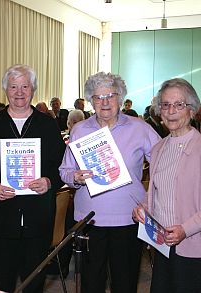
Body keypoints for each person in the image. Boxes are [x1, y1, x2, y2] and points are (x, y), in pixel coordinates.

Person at [59, 72, 161, 293]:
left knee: (125, 282)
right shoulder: (80, 129)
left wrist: (152, 198)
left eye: (110, 96)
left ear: (120, 98)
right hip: (89, 219)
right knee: (91, 283)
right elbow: (64, 171)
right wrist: (75, 177)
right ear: (91, 101)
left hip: (128, 217)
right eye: (98, 97)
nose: (104, 102)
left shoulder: (139, 128)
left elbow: (165, 164)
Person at [0, 64, 65, 293]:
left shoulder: (47, 124)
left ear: (33, 89)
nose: (19, 92)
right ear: (5, 90)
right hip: (0, 220)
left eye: (25, 86)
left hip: (37, 220)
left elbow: (62, 166)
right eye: (13, 86)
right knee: (0, 282)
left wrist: (49, 181)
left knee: (34, 284)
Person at [132, 78, 201, 293]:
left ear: (192, 110)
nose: (171, 111)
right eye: (166, 105)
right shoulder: (159, 147)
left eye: (179, 104)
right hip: (163, 246)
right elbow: (157, 193)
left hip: (198, 249)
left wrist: (185, 230)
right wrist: (143, 209)